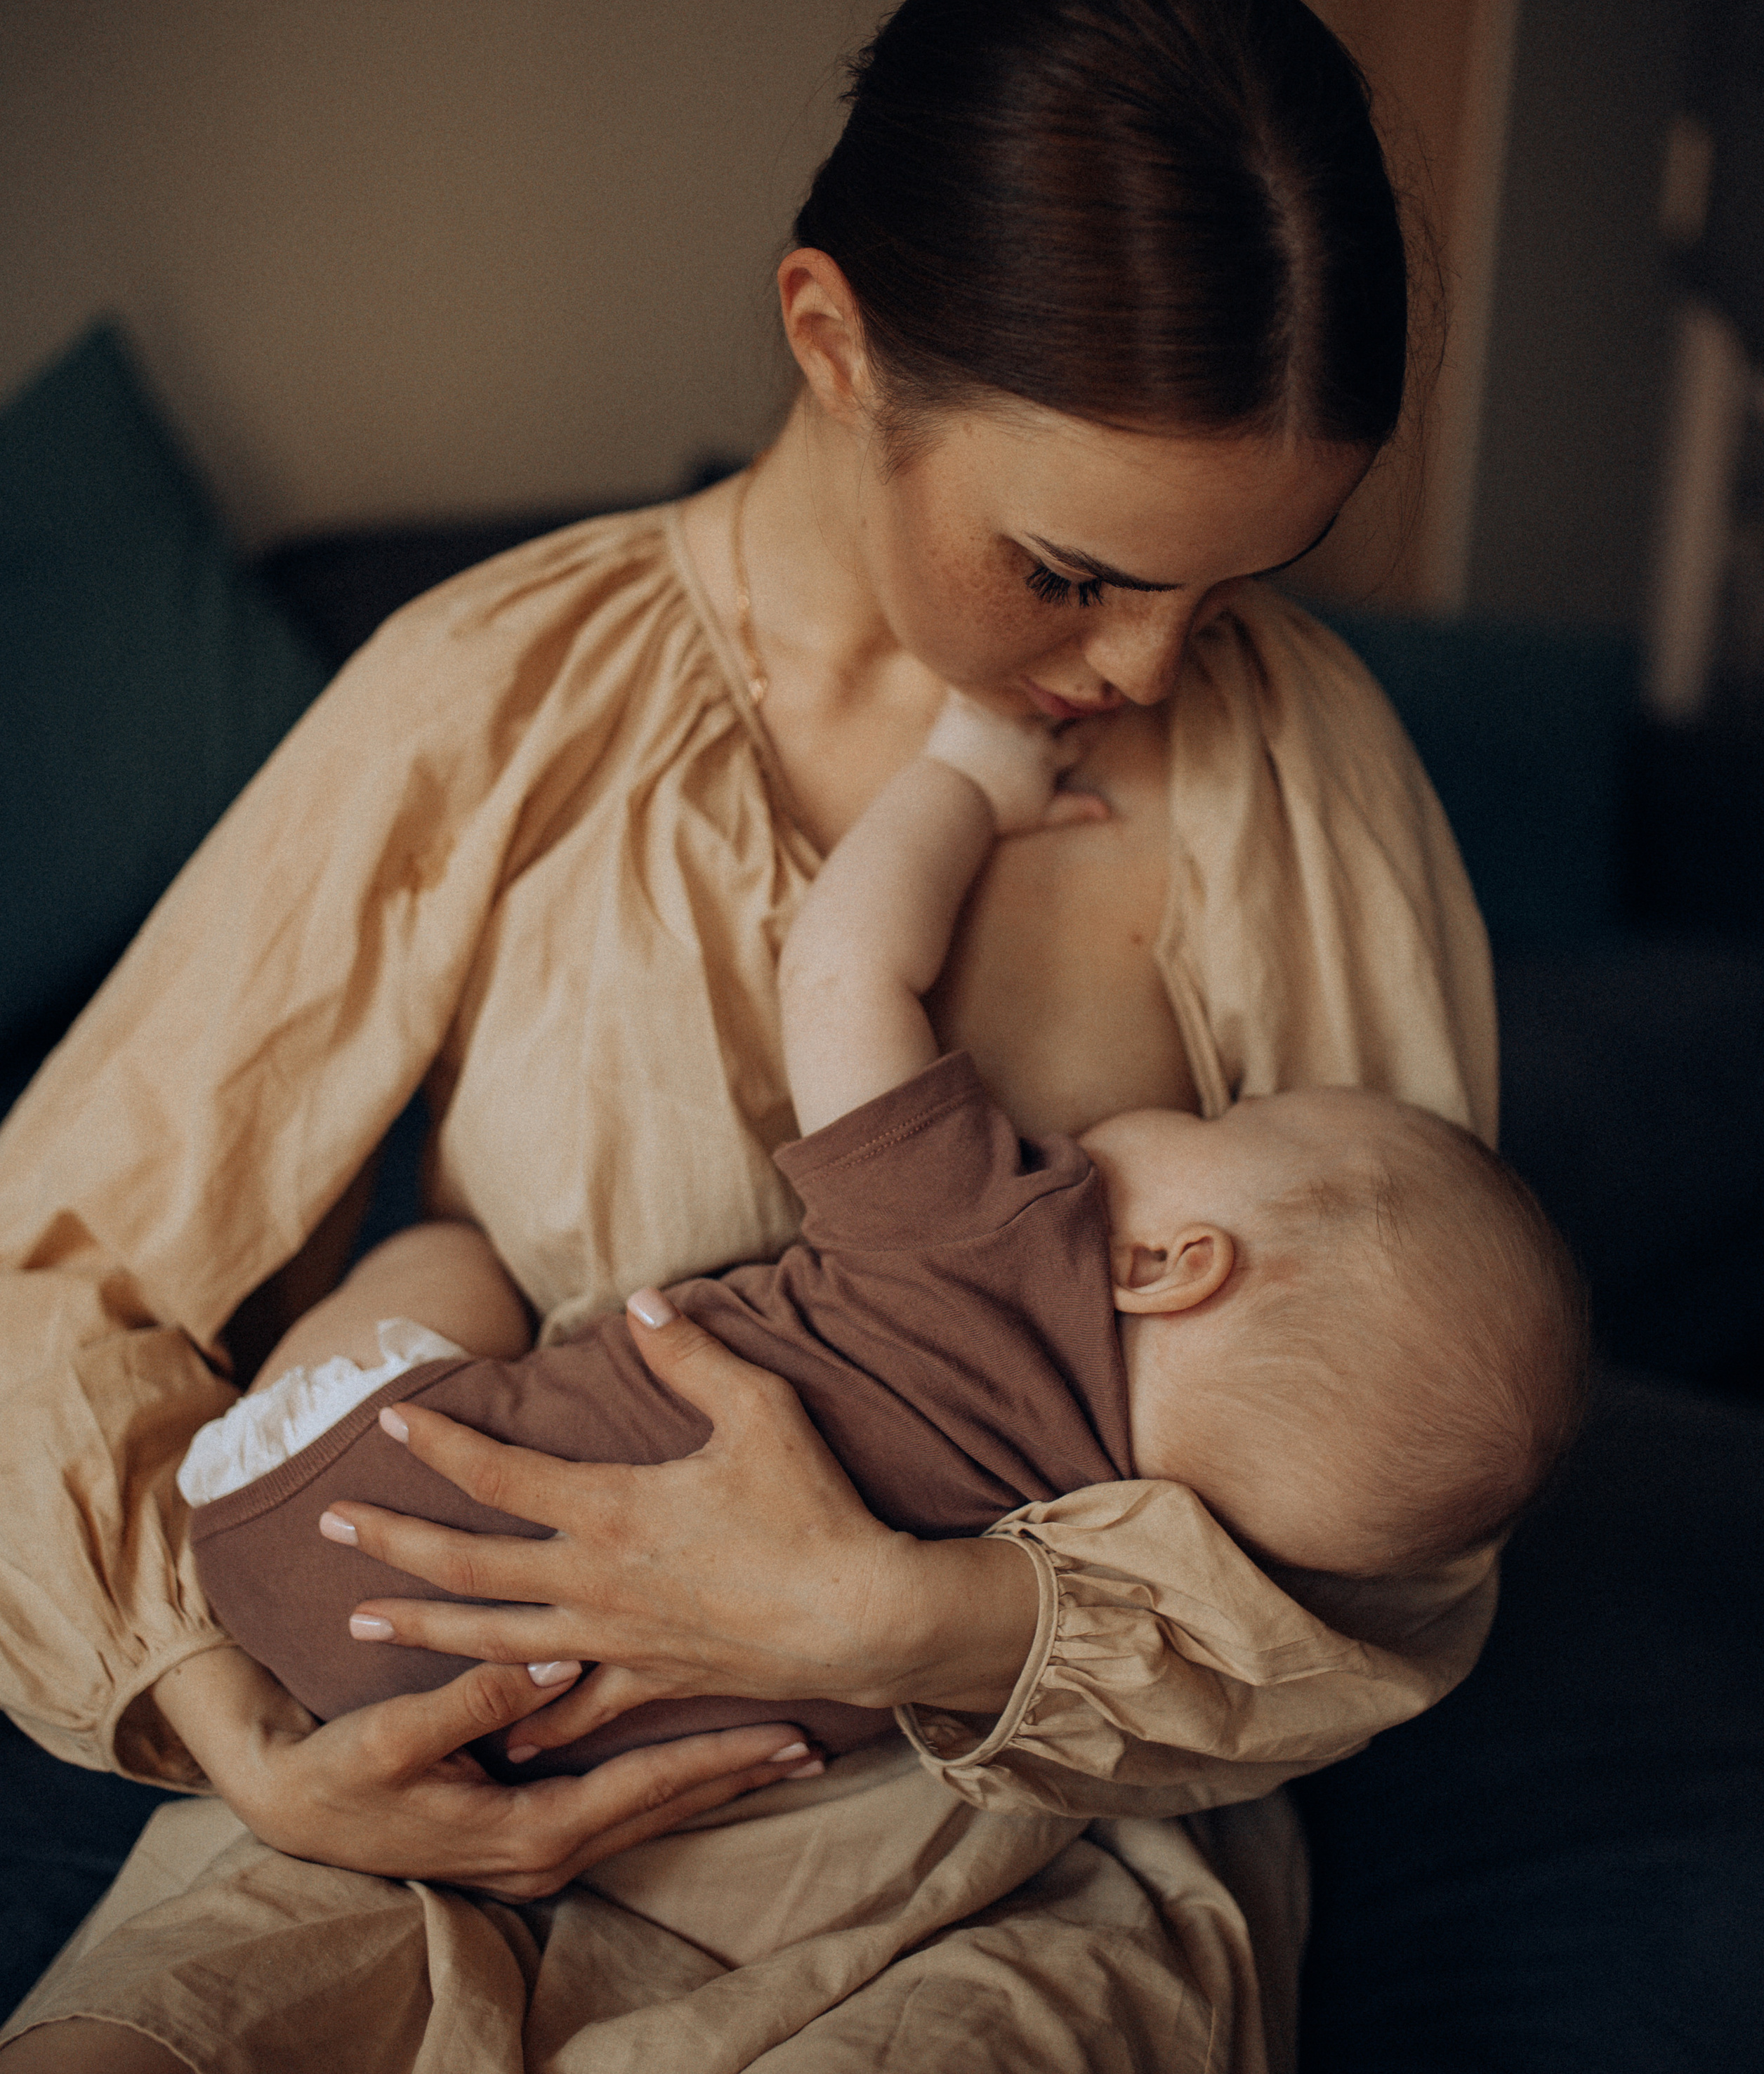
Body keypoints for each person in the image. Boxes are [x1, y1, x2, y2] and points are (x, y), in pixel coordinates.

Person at [0, 0, 1506, 2074]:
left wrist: (913, 1618)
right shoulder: (495, 696)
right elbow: (48, 1260)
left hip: (1011, 1860)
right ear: (829, 343)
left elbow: (1417, 1516)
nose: (1145, 672)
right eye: (1076, 568)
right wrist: (232, 1733)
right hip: (445, 1786)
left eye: (1234, 587)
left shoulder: (1296, 781)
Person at [178, 693, 1586, 1808]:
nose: (1190, 1106)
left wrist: (970, 776)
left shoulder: (1001, 1231)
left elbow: (845, 973)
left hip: (307, 1522)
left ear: (1171, 1263)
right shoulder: (1100, 1544)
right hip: (528, 1743)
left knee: (447, 1257)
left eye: (1241, 1114)